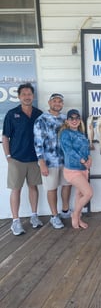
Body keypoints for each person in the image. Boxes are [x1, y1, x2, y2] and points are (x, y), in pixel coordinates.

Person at [2, 83, 43, 235]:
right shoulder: (12, 114)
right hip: (17, 159)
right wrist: (8, 156)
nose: (27, 96)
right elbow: (5, 136)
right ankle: (15, 222)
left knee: (33, 187)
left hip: (34, 159)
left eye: (29, 94)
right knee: (16, 189)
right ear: (19, 96)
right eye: (24, 94)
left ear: (33, 96)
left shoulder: (39, 114)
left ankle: (34, 216)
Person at [34, 93, 72, 229]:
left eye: (60, 101)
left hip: (65, 160)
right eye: (55, 101)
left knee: (67, 185)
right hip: (49, 162)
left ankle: (66, 211)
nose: (57, 103)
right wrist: (41, 162)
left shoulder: (65, 119)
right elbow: (38, 143)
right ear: (49, 103)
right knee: (52, 188)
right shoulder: (41, 120)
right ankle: (54, 216)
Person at [59, 109, 93, 229]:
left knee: (79, 194)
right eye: (71, 118)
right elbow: (68, 150)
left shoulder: (81, 134)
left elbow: (86, 149)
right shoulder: (65, 134)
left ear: (79, 120)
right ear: (67, 121)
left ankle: (78, 219)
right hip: (72, 169)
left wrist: (89, 159)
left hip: (83, 169)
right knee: (88, 193)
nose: (74, 120)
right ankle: (75, 214)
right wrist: (82, 160)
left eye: (77, 118)